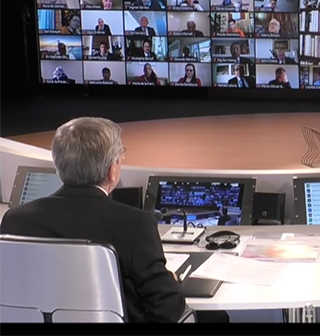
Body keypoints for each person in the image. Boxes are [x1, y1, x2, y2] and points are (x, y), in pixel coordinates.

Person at [0, 118, 186, 323]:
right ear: (112, 170)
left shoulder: (15, 220)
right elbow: (167, 309)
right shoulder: (136, 224)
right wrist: (172, 282)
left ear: (58, 166)